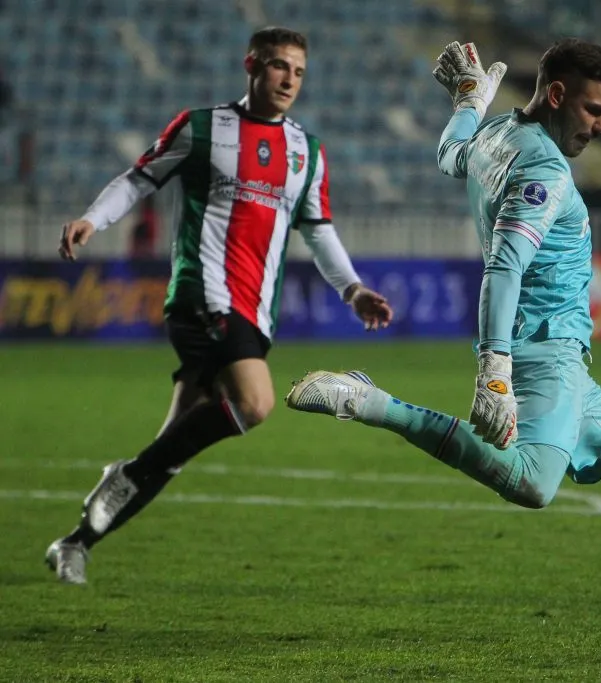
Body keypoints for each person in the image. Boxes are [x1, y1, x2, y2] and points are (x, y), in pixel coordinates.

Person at [285, 39, 601, 656]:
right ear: (556, 94)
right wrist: (494, 371)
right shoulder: (546, 172)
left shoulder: (498, 134)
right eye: (594, 111)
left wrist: (468, 103)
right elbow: (504, 267)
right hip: (542, 356)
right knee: (532, 484)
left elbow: (449, 156)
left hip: (569, 367)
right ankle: (372, 403)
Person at [45, 26, 393, 585]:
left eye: (299, 72)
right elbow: (139, 180)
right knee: (255, 403)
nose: (289, 80)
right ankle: (127, 475)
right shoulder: (202, 127)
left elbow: (318, 229)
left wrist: (352, 289)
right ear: (251, 65)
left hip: (255, 311)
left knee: (170, 450)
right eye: (279, 66)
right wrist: (93, 219)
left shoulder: (306, 151)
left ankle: (76, 541)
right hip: (202, 294)